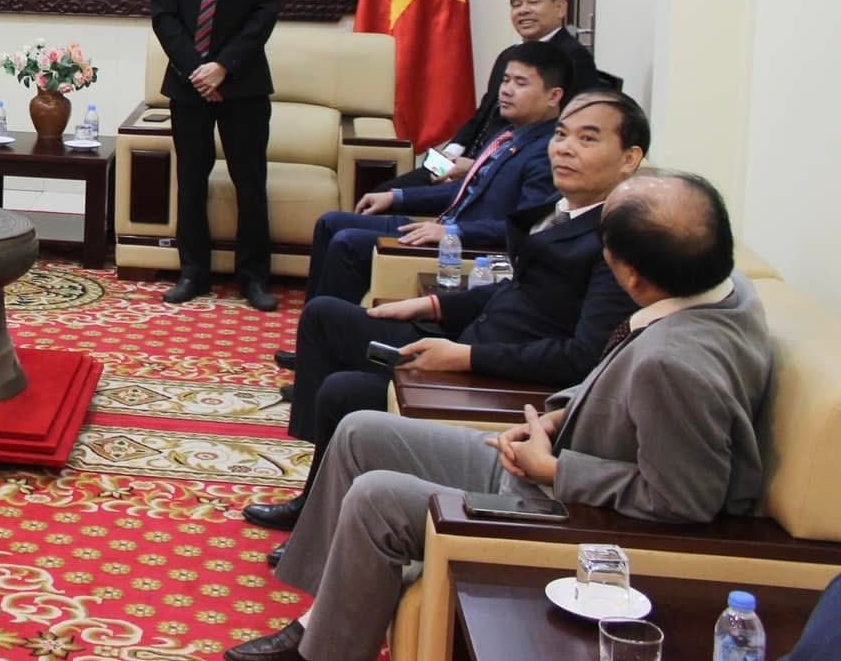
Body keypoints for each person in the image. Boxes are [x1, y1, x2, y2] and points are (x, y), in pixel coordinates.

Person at [226, 169, 773, 661]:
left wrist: (553, 469)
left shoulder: (673, 364)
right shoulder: (722, 290)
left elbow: (683, 500)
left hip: (569, 512)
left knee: (376, 498)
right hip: (552, 459)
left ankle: (321, 656)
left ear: (631, 277)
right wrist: (556, 421)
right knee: (358, 432)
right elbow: (620, 385)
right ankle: (321, 620)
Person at [247, 91, 648, 539]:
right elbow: (517, 290)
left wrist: (465, 358)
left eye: (587, 139)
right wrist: (432, 304)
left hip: (504, 379)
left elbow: (583, 359)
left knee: (343, 392)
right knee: (325, 317)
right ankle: (317, 489)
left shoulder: (618, 244)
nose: (566, 149)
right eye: (561, 135)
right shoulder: (559, 209)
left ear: (629, 159)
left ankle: (317, 515)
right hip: (471, 338)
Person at [294, 40, 566, 308]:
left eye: (520, 83)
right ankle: (313, 326)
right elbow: (464, 190)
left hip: (467, 248)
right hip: (444, 229)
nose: (506, 90)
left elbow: (523, 229)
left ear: (553, 96)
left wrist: (452, 231)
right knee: (330, 222)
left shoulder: (545, 153)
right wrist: (395, 197)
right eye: (505, 80)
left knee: (348, 243)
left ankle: (330, 331)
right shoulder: (509, 135)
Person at [149, 0, 288, 310]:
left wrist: (223, 66)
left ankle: (254, 277)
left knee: (250, 180)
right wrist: (196, 69)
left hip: (243, 82)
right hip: (188, 82)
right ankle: (193, 271)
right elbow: (163, 15)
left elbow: (265, 13)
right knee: (191, 179)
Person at [391, 0, 603, 191]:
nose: (523, 10)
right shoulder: (510, 55)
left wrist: (476, 167)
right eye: (516, 4)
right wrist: (452, 152)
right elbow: (483, 114)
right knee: (386, 190)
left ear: (560, 7)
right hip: (466, 162)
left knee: (392, 199)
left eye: (533, 1)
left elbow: (556, 134)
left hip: (496, 175)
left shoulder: (572, 58)